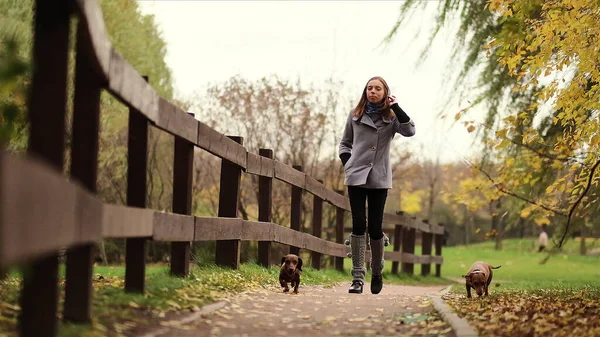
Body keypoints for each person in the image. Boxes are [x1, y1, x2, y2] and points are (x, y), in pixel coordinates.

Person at [339, 76, 415, 294]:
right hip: (356, 176)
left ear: (385, 93)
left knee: (374, 227)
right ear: (366, 92)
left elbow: (409, 131)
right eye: (370, 88)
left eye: (377, 88)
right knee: (358, 225)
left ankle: (377, 270)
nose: (373, 91)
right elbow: (345, 143)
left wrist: (397, 106)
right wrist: (348, 164)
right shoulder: (355, 116)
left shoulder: (391, 118)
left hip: (379, 178)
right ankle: (357, 278)